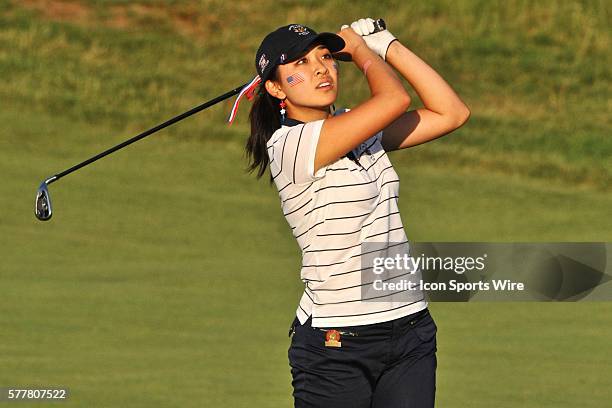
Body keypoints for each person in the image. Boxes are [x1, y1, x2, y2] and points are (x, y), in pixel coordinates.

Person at [243, 18, 469, 408]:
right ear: (275, 88)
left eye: (327, 57)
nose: (320, 68)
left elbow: (451, 112)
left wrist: (388, 44)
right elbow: (394, 100)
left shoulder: (359, 129)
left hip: (409, 328)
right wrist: (362, 53)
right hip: (338, 344)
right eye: (298, 64)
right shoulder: (290, 146)